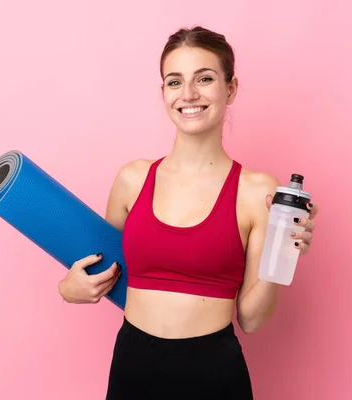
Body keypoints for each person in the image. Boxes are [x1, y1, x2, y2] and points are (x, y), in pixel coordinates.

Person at [58, 26, 319, 400]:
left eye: (205, 78)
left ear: (230, 89)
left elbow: (252, 318)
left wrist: (286, 250)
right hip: (133, 366)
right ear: (163, 92)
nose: (189, 94)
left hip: (212, 372)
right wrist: (69, 289)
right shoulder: (132, 179)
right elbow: (100, 271)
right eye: (175, 81)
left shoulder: (258, 190)